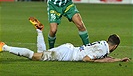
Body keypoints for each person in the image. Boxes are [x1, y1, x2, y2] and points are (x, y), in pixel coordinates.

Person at [0, 17, 130, 63]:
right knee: (34, 56)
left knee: (42, 54)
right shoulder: (102, 49)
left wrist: (117, 60)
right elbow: (87, 59)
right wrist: (102, 61)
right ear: (115, 46)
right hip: (66, 54)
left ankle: (39, 31)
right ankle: (5, 47)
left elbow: (102, 57)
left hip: (68, 49)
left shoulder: (103, 43)